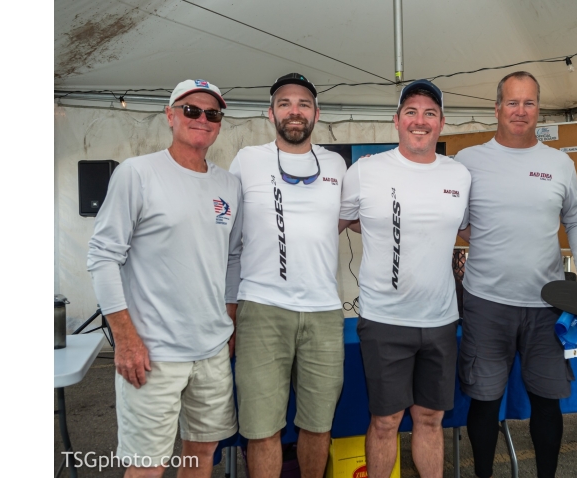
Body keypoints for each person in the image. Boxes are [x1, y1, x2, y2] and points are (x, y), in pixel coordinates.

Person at [87, 79, 240, 478]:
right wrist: (125, 338)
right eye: (191, 110)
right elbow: (102, 256)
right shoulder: (137, 174)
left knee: (202, 455)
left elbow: (232, 259)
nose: (202, 119)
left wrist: (230, 320)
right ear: (170, 116)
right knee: (147, 467)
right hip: (152, 352)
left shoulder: (229, 184)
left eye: (212, 113)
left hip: (211, 351)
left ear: (219, 124)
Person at [454, 71, 577, 478]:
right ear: (497, 107)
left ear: (539, 108)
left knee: (547, 402)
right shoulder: (468, 161)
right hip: (485, 302)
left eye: (529, 102)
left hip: (546, 303)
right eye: (512, 102)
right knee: (483, 402)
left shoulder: (558, 163)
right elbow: (455, 220)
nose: (520, 111)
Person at [338, 79, 471, 478]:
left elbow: (469, 231)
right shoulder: (365, 170)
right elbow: (336, 222)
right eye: (411, 112)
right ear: (396, 121)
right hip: (384, 321)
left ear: (442, 123)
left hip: (440, 321)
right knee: (385, 421)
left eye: (430, 113)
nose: (420, 120)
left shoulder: (459, 175)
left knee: (431, 419)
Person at [225, 73, 348, 478]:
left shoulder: (335, 164)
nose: (294, 111)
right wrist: (229, 310)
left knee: (318, 425)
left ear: (316, 113)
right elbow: (229, 240)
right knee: (262, 429)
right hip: (261, 309)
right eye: (284, 103)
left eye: (303, 104)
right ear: (270, 112)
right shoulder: (246, 160)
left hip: (324, 312)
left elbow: (361, 219)